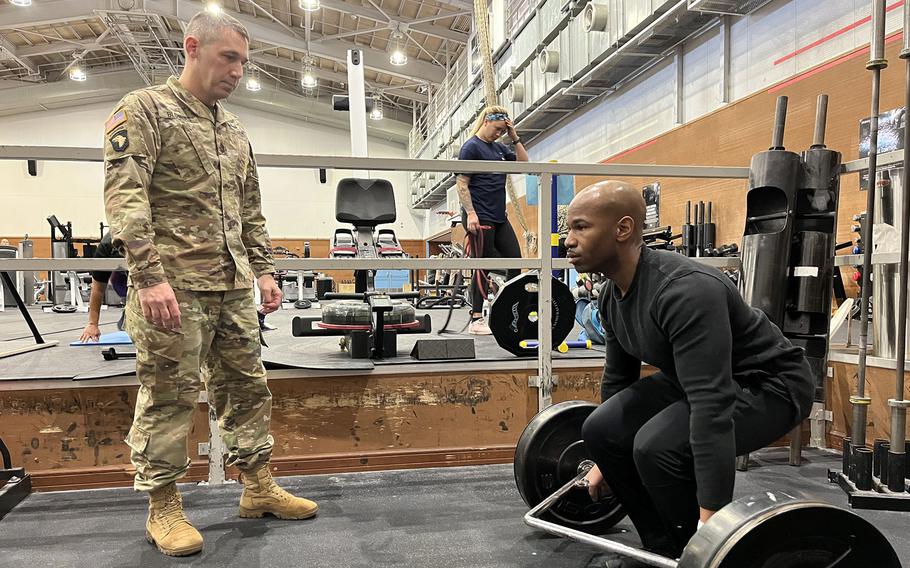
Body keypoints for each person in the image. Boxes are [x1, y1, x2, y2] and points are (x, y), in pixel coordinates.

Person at [104, 11, 316, 558]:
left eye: (244, 62)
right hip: (171, 287)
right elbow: (126, 199)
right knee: (170, 394)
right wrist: (149, 278)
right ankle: (163, 505)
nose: (238, 72)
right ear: (192, 47)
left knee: (247, 386)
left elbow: (250, 209)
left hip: (232, 285)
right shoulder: (145, 109)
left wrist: (265, 270)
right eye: (230, 58)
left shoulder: (232, 128)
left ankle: (257, 487)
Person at [564, 181, 814, 561]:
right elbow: (618, 380)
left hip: (771, 385)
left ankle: (696, 549)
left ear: (623, 229)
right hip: (703, 377)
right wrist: (607, 460)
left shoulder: (684, 290)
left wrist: (712, 523)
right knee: (600, 428)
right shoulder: (611, 294)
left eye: (580, 227)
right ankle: (661, 543)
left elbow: (711, 406)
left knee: (656, 447)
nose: (568, 240)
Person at [456, 105, 529, 335]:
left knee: (515, 262)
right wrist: (471, 214)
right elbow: (462, 184)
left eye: (502, 130)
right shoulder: (471, 147)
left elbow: (524, 164)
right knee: (483, 266)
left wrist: (514, 136)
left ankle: (505, 307)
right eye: (497, 128)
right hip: (479, 215)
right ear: (486, 121)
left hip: (499, 216)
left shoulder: (499, 148)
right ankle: (476, 318)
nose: (499, 133)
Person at [79, 231, 128, 342]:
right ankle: (129, 311)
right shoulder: (106, 247)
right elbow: (98, 289)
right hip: (121, 273)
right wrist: (92, 324)